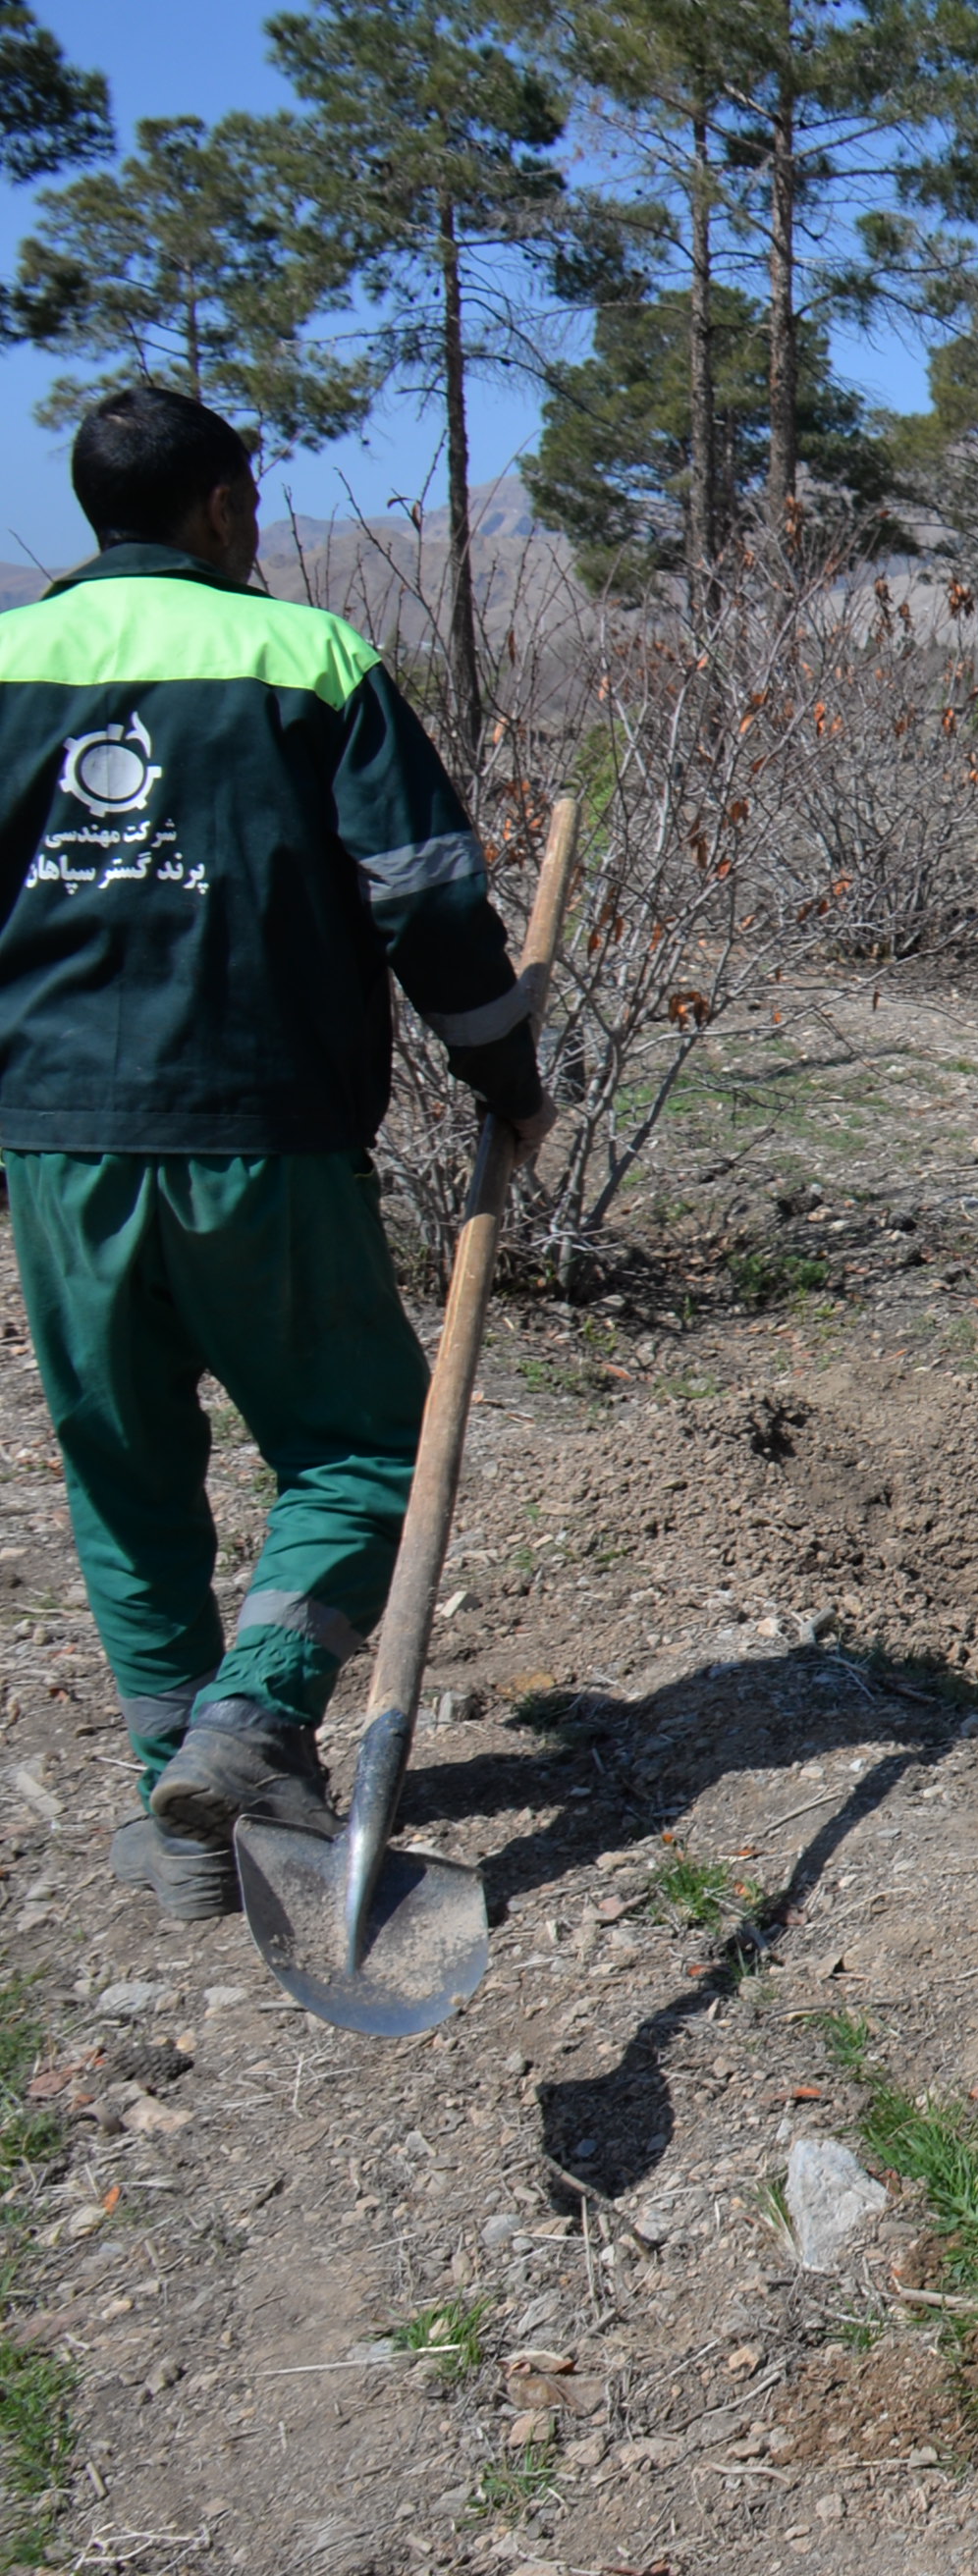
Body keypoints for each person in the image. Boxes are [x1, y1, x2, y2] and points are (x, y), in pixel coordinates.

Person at [0, 387, 553, 1917]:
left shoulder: (7, 662)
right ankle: (246, 1731)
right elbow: (424, 890)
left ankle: (182, 1820)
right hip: (261, 1133)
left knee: (124, 1473)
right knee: (366, 1446)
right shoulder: (305, 659)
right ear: (226, 507)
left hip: (54, 1143)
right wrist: (502, 1068)